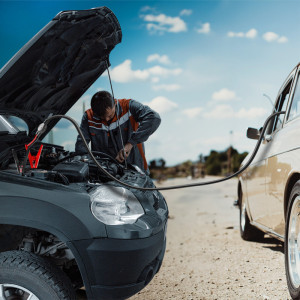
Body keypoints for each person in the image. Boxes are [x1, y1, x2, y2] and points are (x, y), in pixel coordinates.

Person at [75, 91, 161, 174]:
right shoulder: (88, 117)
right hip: (104, 173)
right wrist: (83, 161)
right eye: (101, 117)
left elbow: (154, 118)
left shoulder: (129, 107)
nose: (106, 120)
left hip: (136, 170)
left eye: (109, 115)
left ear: (115, 104)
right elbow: (81, 144)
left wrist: (130, 143)